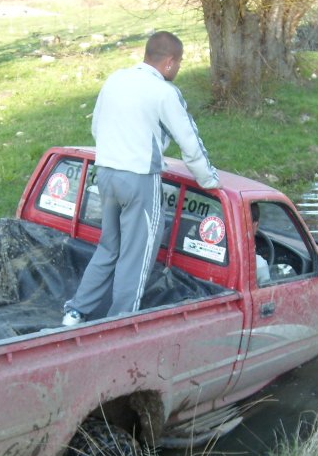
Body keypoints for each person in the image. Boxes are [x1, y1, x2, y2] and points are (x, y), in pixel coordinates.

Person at [63, 30, 220, 326]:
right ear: (170, 62)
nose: (178, 68)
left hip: (105, 173)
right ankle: (121, 323)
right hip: (139, 180)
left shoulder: (115, 80)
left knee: (108, 247)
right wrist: (209, 180)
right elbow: (190, 142)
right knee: (137, 256)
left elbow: (97, 128)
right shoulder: (164, 92)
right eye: (179, 62)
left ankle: (75, 312)